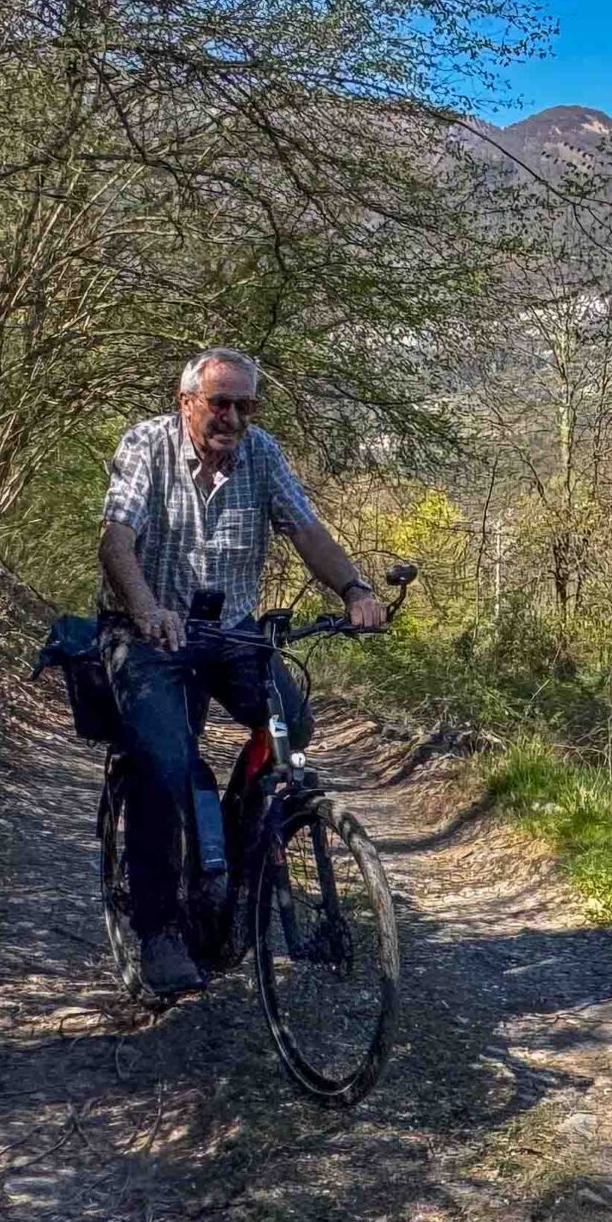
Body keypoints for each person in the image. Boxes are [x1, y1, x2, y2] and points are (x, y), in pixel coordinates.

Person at [96, 347, 387, 995]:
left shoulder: (261, 454)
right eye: (219, 402)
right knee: (163, 759)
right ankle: (158, 931)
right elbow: (116, 539)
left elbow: (306, 531)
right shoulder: (147, 445)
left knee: (292, 723)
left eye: (244, 405)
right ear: (187, 403)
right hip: (146, 630)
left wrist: (354, 589)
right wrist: (145, 609)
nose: (231, 416)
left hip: (228, 629)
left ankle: (229, 843)